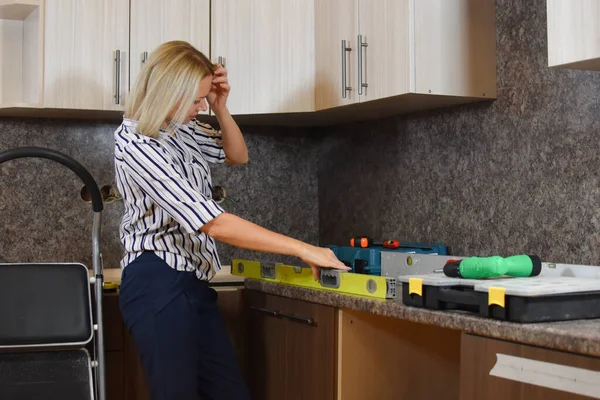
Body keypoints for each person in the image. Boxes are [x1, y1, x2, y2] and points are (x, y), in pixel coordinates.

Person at [113, 40, 349, 400]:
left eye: (203, 99)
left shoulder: (179, 129)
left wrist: (221, 107)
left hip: (191, 282)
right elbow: (214, 223)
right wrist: (302, 248)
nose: (199, 108)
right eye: (195, 100)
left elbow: (236, 155)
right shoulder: (136, 145)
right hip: (156, 282)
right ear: (166, 91)